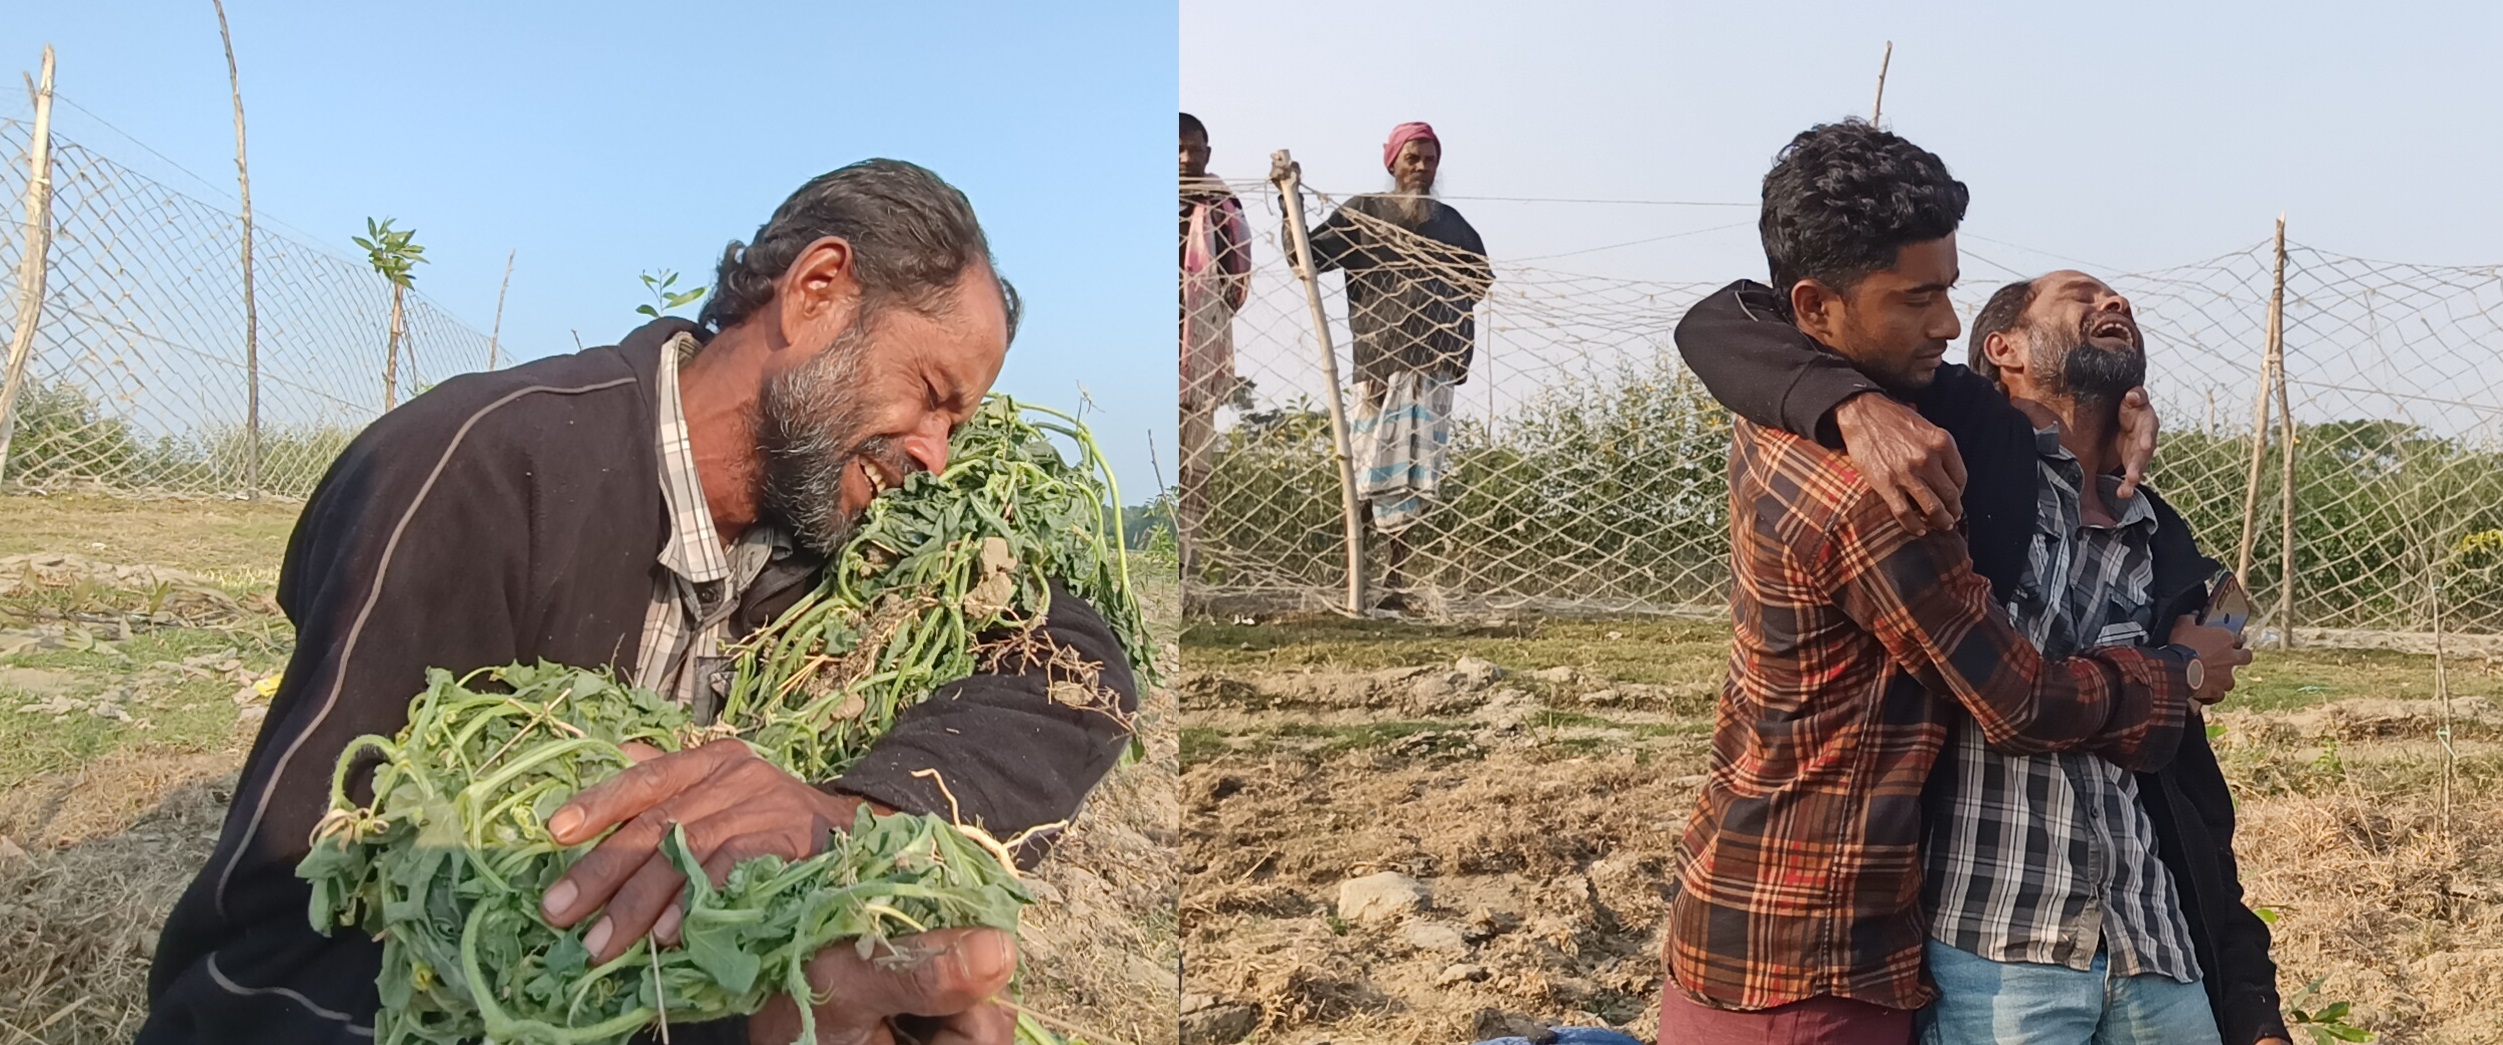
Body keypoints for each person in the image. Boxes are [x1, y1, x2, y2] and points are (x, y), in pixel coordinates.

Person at [139, 159, 1141, 1045]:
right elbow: (248, 974)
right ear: (818, 290)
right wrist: (732, 1025)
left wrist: (853, 818)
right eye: (930, 392)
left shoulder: (844, 531)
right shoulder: (481, 473)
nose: (935, 453)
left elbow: (1081, 664)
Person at [1658, 120, 2249, 1045]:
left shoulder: (2138, 521)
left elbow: (2191, 798)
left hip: (2100, 941)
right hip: (1834, 939)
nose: (1942, 321)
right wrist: (2174, 672)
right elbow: (2016, 699)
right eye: (1917, 297)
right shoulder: (1893, 478)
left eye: (1949, 292)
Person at [1289, 120, 1492, 612]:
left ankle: (1397, 585)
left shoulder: (1451, 223)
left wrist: (1438, 308)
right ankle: (1355, 581)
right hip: (1378, 365)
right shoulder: (1365, 214)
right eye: (1413, 159)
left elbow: (1480, 279)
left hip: (1434, 370)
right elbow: (1306, 256)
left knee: (1415, 478)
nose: (1422, 168)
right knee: (1364, 474)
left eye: (1430, 160)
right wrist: (1287, 203)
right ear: (1394, 163)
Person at [1180, 111, 1252, 582]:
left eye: (1197, 149)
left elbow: (1238, 277)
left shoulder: (1223, 205)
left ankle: (1189, 554)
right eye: (1178, 149)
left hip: (1200, 347)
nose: (1188, 158)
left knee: (1194, 458)